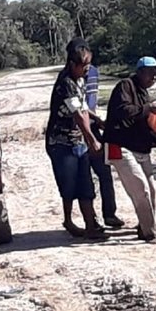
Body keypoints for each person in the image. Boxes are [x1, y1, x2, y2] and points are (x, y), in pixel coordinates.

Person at [45, 42, 109, 240]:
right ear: (72, 64)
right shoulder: (66, 83)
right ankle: (69, 220)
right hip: (61, 142)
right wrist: (92, 141)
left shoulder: (80, 79)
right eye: (84, 65)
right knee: (69, 183)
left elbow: (82, 106)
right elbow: (78, 116)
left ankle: (91, 223)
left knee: (85, 181)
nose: (88, 68)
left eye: (89, 64)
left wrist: (96, 119)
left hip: (77, 140)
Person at [103, 56, 156, 244]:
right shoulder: (126, 86)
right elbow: (125, 111)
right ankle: (150, 232)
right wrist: (148, 108)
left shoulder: (143, 92)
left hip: (139, 148)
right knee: (141, 189)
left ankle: (144, 225)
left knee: (151, 189)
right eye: (150, 72)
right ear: (139, 72)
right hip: (120, 146)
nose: (154, 76)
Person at [66, 38, 125, 228]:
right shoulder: (68, 79)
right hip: (77, 130)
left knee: (104, 172)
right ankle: (87, 220)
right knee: (83, 177)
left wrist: (97, 120)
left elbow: (89, 102)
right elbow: (78, 109)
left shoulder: (93, 72)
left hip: (92, 126)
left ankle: (109, 214)